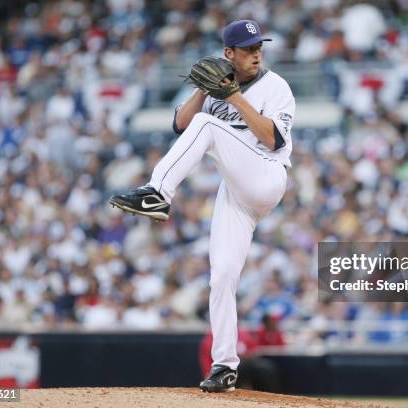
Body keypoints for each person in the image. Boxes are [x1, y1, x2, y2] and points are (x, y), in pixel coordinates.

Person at [109, 19, 295, 392]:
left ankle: (157, 192)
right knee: (222, 275)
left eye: (259, 46)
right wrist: (200, 89)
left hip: (267, 174)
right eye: (247, 48)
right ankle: (225, 366)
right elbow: (180, 125)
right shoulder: (215, 88)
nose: (256, 52)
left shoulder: (276, 87)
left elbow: (273, 140)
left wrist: (232, 98)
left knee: (209, 126)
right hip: (236, 191)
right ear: (229, 53)